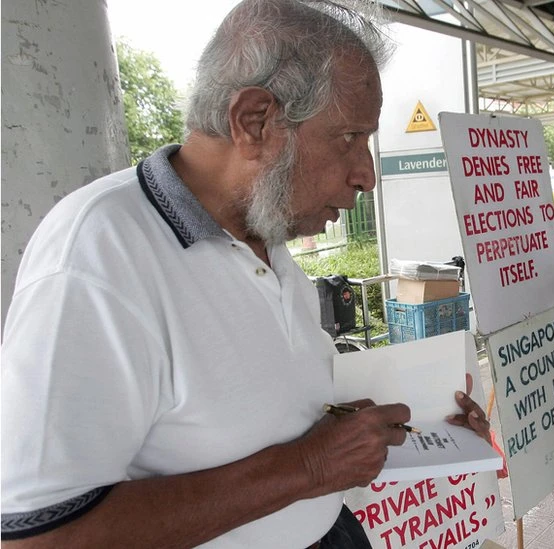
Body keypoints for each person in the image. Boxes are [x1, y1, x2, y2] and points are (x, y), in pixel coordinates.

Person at [0, 1, 490, 547]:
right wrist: (308, 468)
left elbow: (269, 404)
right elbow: (41, 536)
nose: (366, 174)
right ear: (254, 121)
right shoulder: (97, 255)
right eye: (350, 137)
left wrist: (423, 421)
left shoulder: (266, 235)